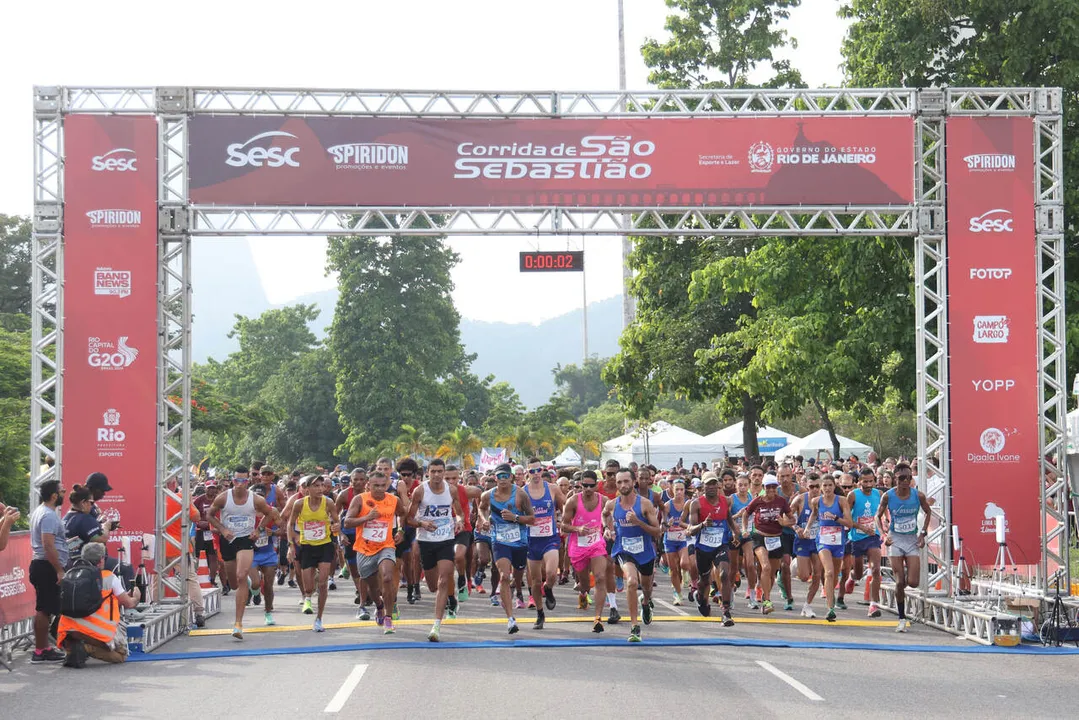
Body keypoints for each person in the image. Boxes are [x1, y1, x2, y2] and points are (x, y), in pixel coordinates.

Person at [209, 466, 281, 639]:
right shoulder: (223, 498)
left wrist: (259, 529)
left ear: (247, 481)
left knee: (241, 576)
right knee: (233, 583)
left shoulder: (255, 499)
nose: (239, 484)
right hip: (228, 540)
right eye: (236, 480)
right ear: (232, 480)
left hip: (245, 540)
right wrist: (222, 528)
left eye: (242, 480)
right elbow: (209, 515)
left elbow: (270, 513)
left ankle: (238, 624)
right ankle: (249, 585)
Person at [405, 458, 464, 642]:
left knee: (444, 580)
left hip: (446, 538)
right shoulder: (420, 491)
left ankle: (436, 626)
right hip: (426, 540)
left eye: (440, 471)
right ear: (427, 473)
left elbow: (460, 512)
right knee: (432, 586)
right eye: (433, 471)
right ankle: (450, 598)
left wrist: (460, 521)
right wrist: (422, 522)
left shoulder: (451, 490)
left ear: (444, 473)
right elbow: (409, 519)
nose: (437, 475)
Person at [57, 543, 141, 667]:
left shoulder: (69, 574)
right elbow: (129, 604)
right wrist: (137, 597)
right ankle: (85, 649)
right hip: (96, 631)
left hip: (66, 630)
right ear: (101, 559)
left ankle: (71, 649)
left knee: (76, 634)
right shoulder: (109, 577)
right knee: (121, 656)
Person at [345, 470, 407, 634]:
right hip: (364, 549)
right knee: (373, 587)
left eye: (383, 486)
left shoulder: (394, 500)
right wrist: (366, 518)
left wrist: (400, 530)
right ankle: (379, 606)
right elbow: (347, 522)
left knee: (387, 577)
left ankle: (388, 618)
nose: (380, 489)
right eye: (376, 486)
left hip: (385, 546)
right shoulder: (360, 499)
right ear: (368, 485)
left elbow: (402, 514)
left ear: (387, 485)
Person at [603, 469, 662, 643]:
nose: (623, 485)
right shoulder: (612, 504)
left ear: (634, 482)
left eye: (626, 481)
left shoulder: (644, 504)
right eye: (619, 482)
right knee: (631, 581)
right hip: (624, 549)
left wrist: (638, 522)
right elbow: (604, 514)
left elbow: (657, 532)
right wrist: (607, 528)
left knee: (646, 588)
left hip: (645, 552)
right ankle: (634, 626)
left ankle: (645, 602)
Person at [478, 462, 535, 635]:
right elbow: (481, 509)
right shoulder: (488, 495)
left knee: (518, 575)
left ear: (511, 477)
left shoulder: (520, 494)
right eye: (499, 476)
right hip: (499, 540)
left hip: (519, 541)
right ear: (495, 478)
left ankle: (514, 590)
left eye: (506, 476)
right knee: (504, 575)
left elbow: (532, 519)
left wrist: (515, 517)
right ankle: (510, 619)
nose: (502, 480)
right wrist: (484, 520)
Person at [876, 463, 932, 632]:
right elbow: (877, 517)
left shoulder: (918, 496)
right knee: (900, 582)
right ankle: (901, 618)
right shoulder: (888, 496)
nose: (906, 481)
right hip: (895, 540)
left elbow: (928, 512)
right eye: (902, 478)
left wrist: (923, 533)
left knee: (913, 582)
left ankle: (903, 577)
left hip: (911, 540)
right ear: (895, 479)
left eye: (909, 477)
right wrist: (883, 535)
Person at [684, 472, 739, 626]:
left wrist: (735, 531)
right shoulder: (696, 504)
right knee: (704, 581)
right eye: (708, 484)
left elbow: (728, 517)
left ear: (718, 485)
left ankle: (726, 612)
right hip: (703, 548)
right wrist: (702, 525)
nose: (712, 487)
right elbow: (690, 530)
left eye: (714, 483)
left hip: (720, 545)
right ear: (703, 486)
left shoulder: (725, 501)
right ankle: (700, 599)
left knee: (724, 574)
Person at [288, 475, 340, 633]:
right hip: (306, 546)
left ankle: (319, 618)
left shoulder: (328, 502)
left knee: (323, 584)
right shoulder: (299, 504)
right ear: (307, 488)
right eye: (316, 486)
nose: (320, 489)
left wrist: (336, 527)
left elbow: (337, 521)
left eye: (321, 485)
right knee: (309, 586)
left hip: (324, 545)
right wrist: (291, 545)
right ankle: (308, 597)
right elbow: (290, 525)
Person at [561, 470, 609, 633]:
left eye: (591, 485)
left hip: (596, 544)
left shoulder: (604, 501)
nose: (588, 489)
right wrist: (577, 528)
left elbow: (611, 519)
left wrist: (610, 528)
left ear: (597, 485)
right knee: (584, 583)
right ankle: (583, 593)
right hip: (578, 546)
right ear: (580, 484)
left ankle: (597, 618)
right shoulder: (573, 501)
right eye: (584, 485)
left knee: (600, 578)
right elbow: (563, 525)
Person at [740, 475, 795, 614]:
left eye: (773, 487)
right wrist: (745, 529)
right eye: (768, 487)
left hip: (776, 538)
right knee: (765, 567)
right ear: (763, 488)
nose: (771, 489)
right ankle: (767, 601)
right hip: (759, 537)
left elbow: (792, 519)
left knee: (772, 574)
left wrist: (784, 523)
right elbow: (745, 514)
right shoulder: (757, 501)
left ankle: (765, 595)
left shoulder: (781, 501)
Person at [805, 473, 854, 622]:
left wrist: (835, 518)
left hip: (838, 541)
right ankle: (830, 609)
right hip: (823, 541)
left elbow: (850, 524)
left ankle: (830, 598)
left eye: (830, 485)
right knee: (829, 572)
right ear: (821, 487)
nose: (827, 488)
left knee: (834, 576)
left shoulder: (842, 501)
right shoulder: (816, 501)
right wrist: (807, 528)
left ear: (834, 486)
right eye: (824, 485)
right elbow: (813, 515)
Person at [29, 478, 68, 663]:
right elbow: (47, 544)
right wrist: (59, 570)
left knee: (44, 607)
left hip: (44, 565)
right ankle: (40, 650)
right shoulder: (48, 515)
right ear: (54, 495)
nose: (65, 493)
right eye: (62, 491)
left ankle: (43, 647)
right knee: (44, 608)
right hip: (46, 566)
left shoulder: (42, 512)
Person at [524, 461, 566, 629]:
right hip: (532, 540)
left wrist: (564, 521)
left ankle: (548, 588)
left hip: (550, 538)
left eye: (538, 470)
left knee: (551, 574)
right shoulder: (522, 492)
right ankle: (540, 613)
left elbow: (565, 505)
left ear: (543, 471)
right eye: (532, 470)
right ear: (528, 472)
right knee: (535, 580)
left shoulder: (552, 488)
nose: (536, 473)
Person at [846, 467, 884, 617]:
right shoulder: (852, 495)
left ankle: (873, 605)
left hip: (873, 537)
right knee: (859, 572)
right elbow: (847, 519)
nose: (868, 485)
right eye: (865, 482)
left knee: (875, 569)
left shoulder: (879, 494)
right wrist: (861, 526)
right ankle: (852, 577)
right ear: (859, 482)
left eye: (871, 481)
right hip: (856, 537)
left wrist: (884, 525)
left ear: (875, 481)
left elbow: (881, 514)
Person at [446, 464, 482, 603]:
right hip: (442, 531)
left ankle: (462, 580)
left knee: (459, 556)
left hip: (463, 529)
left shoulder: (464, 490)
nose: (451, 481)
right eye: (447, 478)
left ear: (459, 478)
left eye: (454, 478)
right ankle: (448, 593)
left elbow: (480, 492)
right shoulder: (436, 492)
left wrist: (477, 513)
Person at [789, 474, 822, 618]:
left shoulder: (826, 500)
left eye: (817, 486)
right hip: (803, 540)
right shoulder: (800, 499)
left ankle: (807, 605)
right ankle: (795, 564)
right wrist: (796, 528)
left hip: (819, 541)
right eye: (811, 487)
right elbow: (787, 517)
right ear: (807, 487)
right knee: (803, 576)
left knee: (817, 574)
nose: (815, 489)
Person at [63, 485, 112, 563]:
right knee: (125, 568)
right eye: (91, 503)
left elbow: (75, 542)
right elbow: (102, 539)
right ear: (83, 503)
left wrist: (98, 524)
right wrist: (106, 526)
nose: (92, 506)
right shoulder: (85, 518)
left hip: (69, 561)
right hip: (86, 562)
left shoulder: (66, 517)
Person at [662, 479, 691, 606]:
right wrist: (667, 524)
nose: (679, 492)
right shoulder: (668, 505)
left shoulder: (689, 504)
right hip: (670, 540)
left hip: (684, 539)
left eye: (681, 489)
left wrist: (689, 527)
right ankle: (677, 595)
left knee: (684, 563)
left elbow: (694, 520)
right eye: (676, 490)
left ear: (685, 491)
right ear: (672, 491)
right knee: (674, 569)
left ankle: (685, 573)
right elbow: (662, 525)